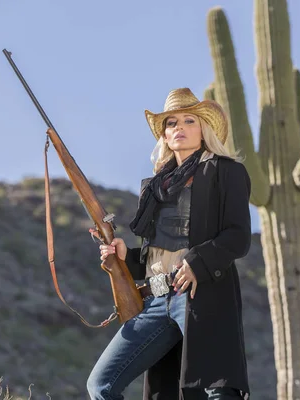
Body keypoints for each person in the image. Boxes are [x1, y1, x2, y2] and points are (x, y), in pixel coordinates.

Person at [86, 88, 252, 400]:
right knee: (100, 386)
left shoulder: (225, 171)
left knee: (216, 391)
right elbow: (157, 251)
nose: (178, 128)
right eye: (171, 123)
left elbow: (238, 236)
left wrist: (197, 262)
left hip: (198, 293)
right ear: (164, 134)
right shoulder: (155, 186)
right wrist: (126, 257)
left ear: (203, 129)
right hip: (154, 299)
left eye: (189, 120)